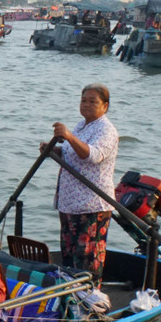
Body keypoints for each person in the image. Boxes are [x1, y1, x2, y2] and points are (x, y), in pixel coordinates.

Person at [41, 83, 118, 281]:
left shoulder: (106, 130)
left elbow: (92, 156)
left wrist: (67, 136)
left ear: (105, 106)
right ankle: (70, 298)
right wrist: (54, 151)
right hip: (70, 203)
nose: (86, 105)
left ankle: (89, 301)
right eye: (84, 100)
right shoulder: (82, 126)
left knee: (87, 260)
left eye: (93, 101)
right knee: (69, 257)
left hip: (91, 204)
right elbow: (71, 154)